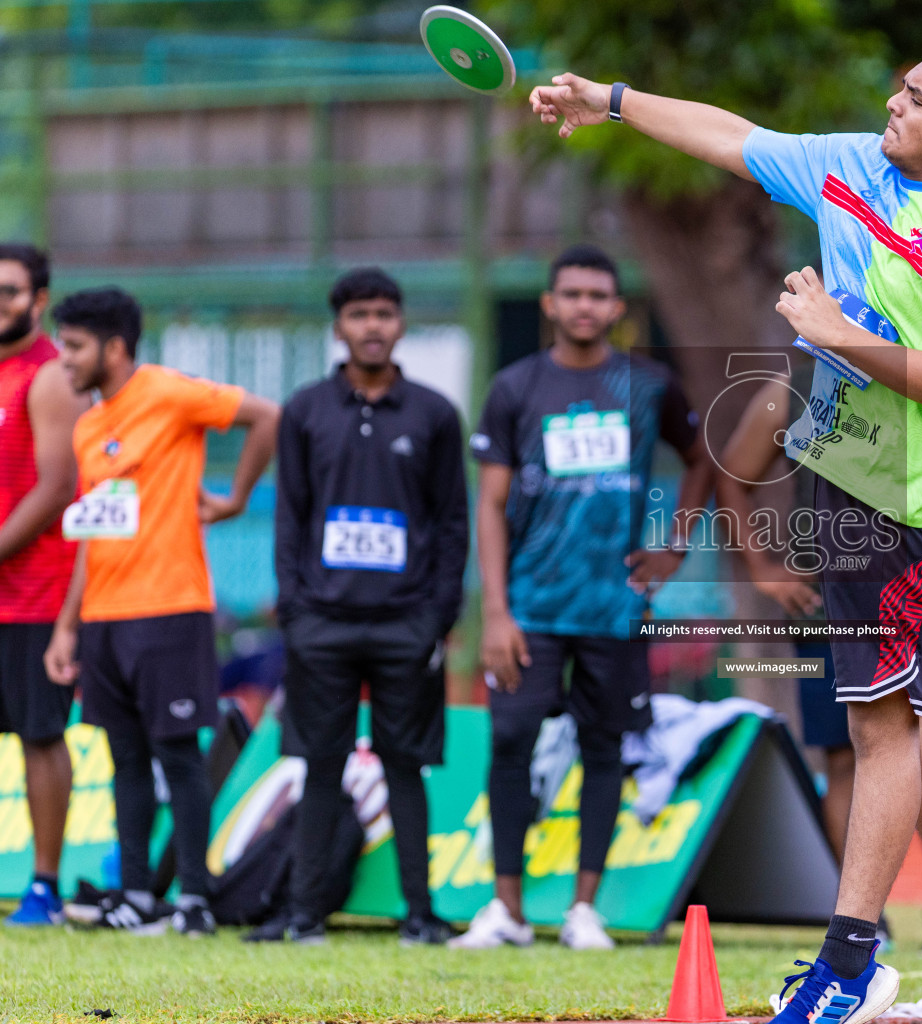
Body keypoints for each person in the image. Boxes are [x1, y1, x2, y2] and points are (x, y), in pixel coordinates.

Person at [530, 45, 922, 1024]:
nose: (893, 105)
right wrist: (611, 100)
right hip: (841, 484)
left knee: (879, 727)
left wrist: (835, 330)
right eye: (898, 89)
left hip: (906, 503)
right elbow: (731, 137)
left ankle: (850, 963)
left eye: (915, 99)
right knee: (900, 715)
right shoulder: (853, 166)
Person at [452, 244, 712, 951]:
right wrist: (496, 612)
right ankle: (505, 911)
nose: (585, 307)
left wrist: (674, 547)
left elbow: (701, 461)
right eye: (572, 294)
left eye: (599, 295)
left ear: (617, 307)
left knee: (605, 749)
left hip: (614, 609)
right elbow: (491, 505)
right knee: (510, 742)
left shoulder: (650, 385)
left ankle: (583, 911)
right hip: (529, 611)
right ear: (550, 304)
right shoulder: (515, 388)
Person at [717, 375, 922, 952]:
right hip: (830, 596)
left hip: (909, 587)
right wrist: (762, 568)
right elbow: (734, 472)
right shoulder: (798, 384)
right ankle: (864, 922)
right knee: (846, 753)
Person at [43, 286, 279, 936]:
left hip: (171, 607)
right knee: (125, 761)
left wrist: (233, 498)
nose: (65, 359)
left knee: (177, 754)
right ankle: (138, 896)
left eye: (76, 346)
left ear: (114, 347)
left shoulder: (170, 393)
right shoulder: (92, 426)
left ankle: (196, 899)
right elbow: (95, 531)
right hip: (104, 618)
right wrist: (69, 623)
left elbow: (268, 416)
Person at [250, 267, 469, 946]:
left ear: (400, 323)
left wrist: (436, 618)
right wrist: (296, 608)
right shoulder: (306, 410)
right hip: (323, 622)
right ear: (339, 326)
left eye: (383, 313)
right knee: (320, 764)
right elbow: (290, 517)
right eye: (358, 314)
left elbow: (452, 521)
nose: (372, 325)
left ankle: (421, 913)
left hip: (407, 623)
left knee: (405, 765)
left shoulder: (434, 413)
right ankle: (303, 913)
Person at [0, 244, 90, 927]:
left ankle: (44, 886)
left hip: (33, 594)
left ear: (40, 300)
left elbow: (58, 485)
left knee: (38, 735)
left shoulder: (49, 376)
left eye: (9, 291)